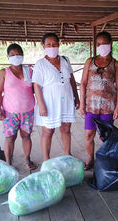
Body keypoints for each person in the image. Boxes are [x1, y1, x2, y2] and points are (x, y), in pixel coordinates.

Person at [32, 33, 80, 161]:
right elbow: (36, 86)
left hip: (66, 100)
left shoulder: (65, 60)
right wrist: (41, 105)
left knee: (66, 129)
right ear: (43, 46)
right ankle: (46, 160)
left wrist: (77, 97)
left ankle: (67, 155)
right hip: (49, 102)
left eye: (55, 44)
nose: (52, 47)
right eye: (48, 44)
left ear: (59, 45)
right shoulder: (40, 64)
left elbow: (71, 80)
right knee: (48, 131)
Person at [80, 31, 118, 170]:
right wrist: (82, 104)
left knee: (107, 136)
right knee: (89, 134)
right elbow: (83, 83)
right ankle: (90, 158)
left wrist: (117, 107)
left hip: (108, 106)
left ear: (110, 44)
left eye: (104, 43)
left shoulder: (115, 64)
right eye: (99, 44)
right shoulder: (89, 61)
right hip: (91, 106)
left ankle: (105, 160)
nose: (101, 46)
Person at [0, 43, 37, 170]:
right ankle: (8, 162)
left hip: (28, 111)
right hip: (9, 112)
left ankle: (27, 160)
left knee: (26, 136)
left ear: (23, 56)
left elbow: (36, 90)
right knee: (9, 137)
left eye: (18, 54)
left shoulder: (29, 71)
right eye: (12, 55)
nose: (16, 57)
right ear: (8, 57)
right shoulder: (4, 72)